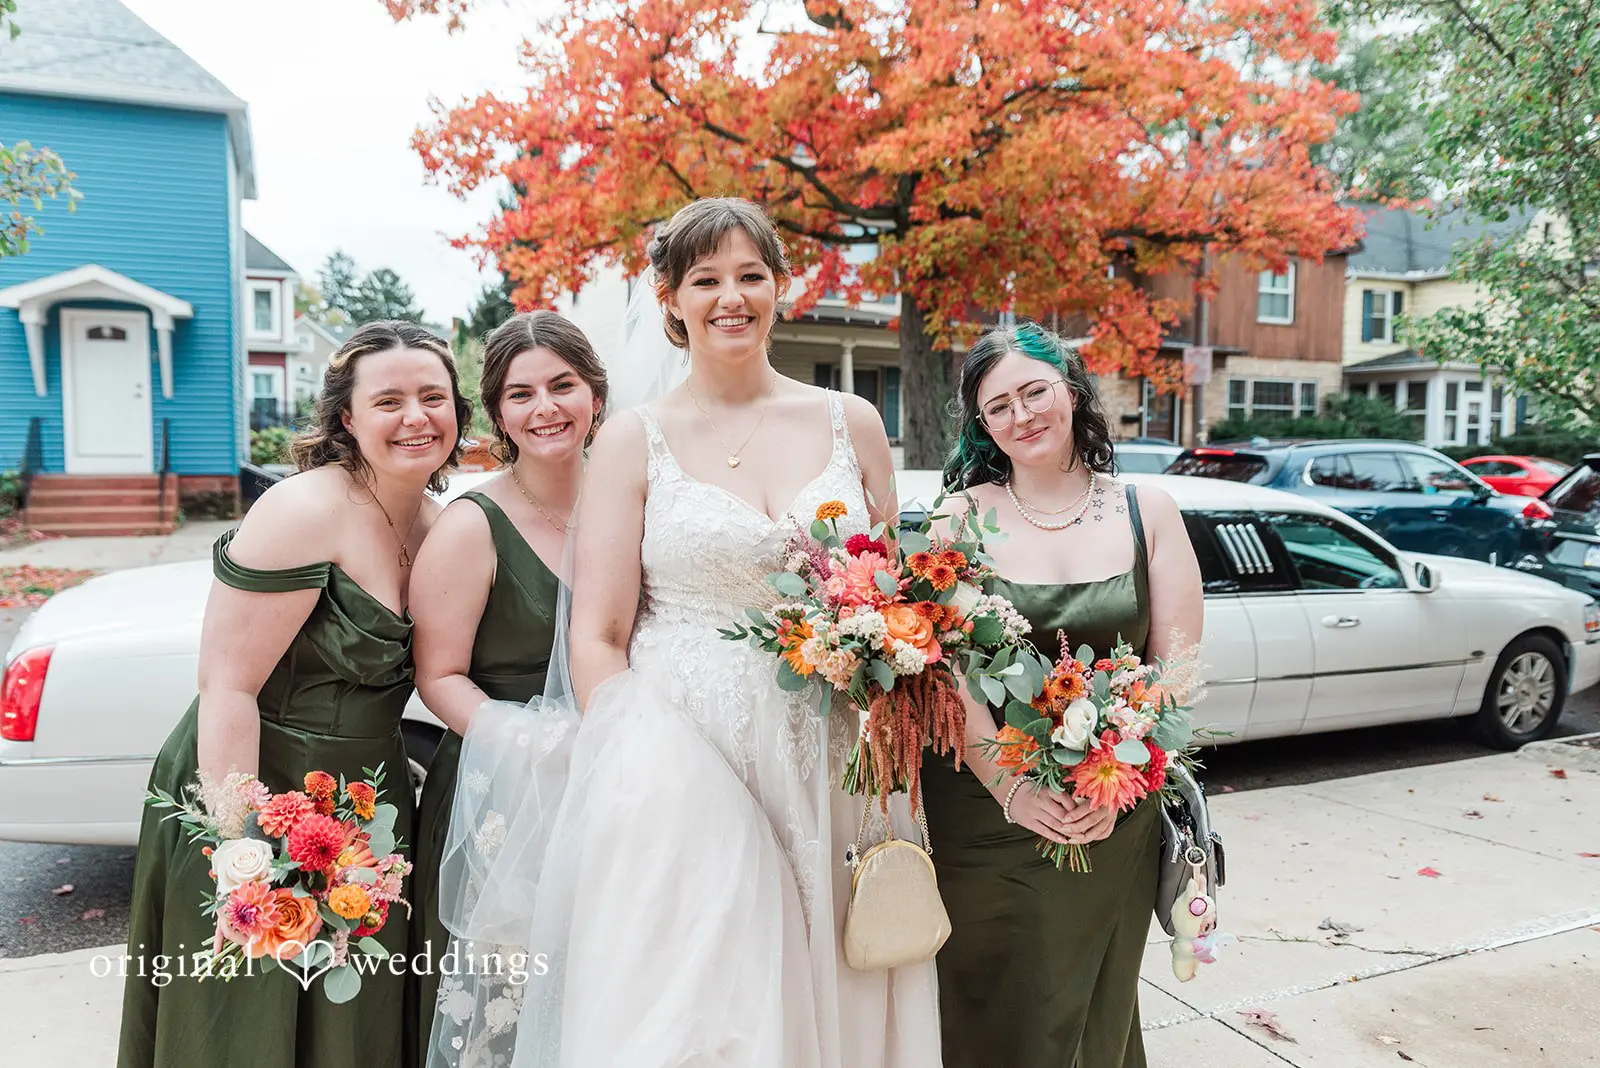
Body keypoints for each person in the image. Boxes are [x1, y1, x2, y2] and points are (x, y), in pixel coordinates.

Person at [448, 196, 942, 1067]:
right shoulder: (636, 441)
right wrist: (645, 772)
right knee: (700, 1001)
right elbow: (597, 635)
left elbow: (893, 595)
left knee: (847, 958)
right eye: (706, 278)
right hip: (685, 762)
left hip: (831, 755)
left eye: (751, 275)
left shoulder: (851, 423)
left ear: (782, 288)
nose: (731, 297)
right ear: (670, 297)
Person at [118, 321, 470, 1068]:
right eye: (390, 400)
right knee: (247, 1013)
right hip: (253, 779)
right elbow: (228, 685)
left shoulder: (442, 525)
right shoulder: (305, 509)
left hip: (368, 802)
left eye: (433, 397)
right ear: (348, 417)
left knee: (355, 1012)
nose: (416, 417)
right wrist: (238, 848)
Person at [920, 321, 1203, 1068]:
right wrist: (1012, 788)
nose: (1023, 415)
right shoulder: (958, 518)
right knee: (986, 999)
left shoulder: (1151, 513)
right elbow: (950, 680)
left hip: (1111, 807)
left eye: (1034, 391)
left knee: (1082, 1002)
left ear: (1072, 389)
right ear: (983, 426)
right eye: (999, 406)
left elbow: (1173, 676)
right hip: (982, 814)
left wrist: (1111, 788)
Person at [404, 311, 605, 1065]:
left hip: (616, 785)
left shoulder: (633, 505)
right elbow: (438, 677)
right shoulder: (472, 526)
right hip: (506, 794)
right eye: (521, 394)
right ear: (497, 415)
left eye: (563, 385)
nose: (545, 408)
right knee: (510, 1008)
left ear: (595, 395)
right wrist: (538, 747)